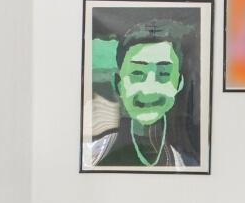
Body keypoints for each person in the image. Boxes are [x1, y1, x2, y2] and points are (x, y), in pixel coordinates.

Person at [85, 20, 201, 169]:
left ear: (178, 83)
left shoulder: (189, 163)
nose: (150, 87)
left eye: (164, 73)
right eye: (137, 73)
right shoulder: (92, 155)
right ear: (118, 83)